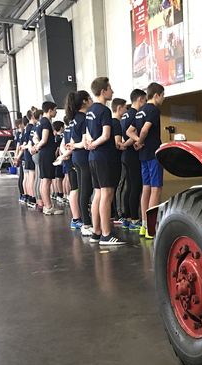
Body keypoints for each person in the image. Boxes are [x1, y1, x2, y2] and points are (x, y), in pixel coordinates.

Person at [85, 77, 126, 245]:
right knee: (107, 194)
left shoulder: (89, 111)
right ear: (103, 91)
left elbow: (88, 133)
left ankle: (96, 232)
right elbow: (106, 135)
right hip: (104, 157)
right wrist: (94, 144)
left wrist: (90, 144)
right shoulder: (104, 111)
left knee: (98, 194)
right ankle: (107, 234)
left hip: (93, 157)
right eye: (110, 88)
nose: (112, 91)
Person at [127, 82, 165, 239]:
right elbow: (144, 129)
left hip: (142, 156)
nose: (163, 99)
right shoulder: (153, 110)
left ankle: (144, 225)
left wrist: (136, 141)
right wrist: (141, 140)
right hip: (153, 154)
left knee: (146, 189)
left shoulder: (139, 111)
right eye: (163, 96)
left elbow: (129, 131)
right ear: (156, 95)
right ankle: (151, 229)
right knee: (156, 189)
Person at [66, 90, 94, 236]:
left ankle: (84, 221)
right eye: (90, 98)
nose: (91, 100)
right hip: (83, 157)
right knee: (86, 190)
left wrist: (73, 146)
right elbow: (83, 142)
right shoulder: (83, 118)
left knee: (83, 190)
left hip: (76, 158)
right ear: (84, 101)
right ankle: (86, 223)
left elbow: (71, 142)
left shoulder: (74, 119)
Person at [120, 89, 146, 230]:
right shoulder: (136, 114)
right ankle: (134, 220)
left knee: (129, 186)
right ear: (140, 99)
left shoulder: (125, 115)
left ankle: (127, 217)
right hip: (132, 154)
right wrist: (135, 142)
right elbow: (132, 134)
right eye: (145, 100)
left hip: (125, 155)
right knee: (135, 186)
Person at [34, 101, 64, 215]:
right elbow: (44, 139)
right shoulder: (46, 122)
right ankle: (48, 206)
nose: (56, 112)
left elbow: (35, 137)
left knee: (44, 181)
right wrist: (37, 147)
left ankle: (47, 205)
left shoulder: (40, 122)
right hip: (46, 154)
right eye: (55, 110)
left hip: (43, 153)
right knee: (47, 181)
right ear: (50, 110)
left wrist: (36, 146)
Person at [57, 116, 82, 229]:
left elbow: (62, 145)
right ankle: (76, 218)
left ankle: (77, 217)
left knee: (74, 188)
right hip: (73, 160)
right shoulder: (74, 127)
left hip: (70, 159)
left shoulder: (67, 128)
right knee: (76, 189)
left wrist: (63, 154)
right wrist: (65, 155)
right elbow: (72, 145)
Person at [110, 97, 127, 225]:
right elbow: (117, 143)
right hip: (117, 158)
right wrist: (132, 142)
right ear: (119, 108)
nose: (126, 110)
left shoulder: (111, 122)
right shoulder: (116, 123)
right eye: (125, 107)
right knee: (119, 186)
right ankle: (118, 214)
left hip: (113, 159)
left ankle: (115, 212)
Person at [29, 109, 44, 211]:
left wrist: (32, 148)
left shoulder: (34, 127)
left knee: (37, 178)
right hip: (38, 153)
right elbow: (38, 139)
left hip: (34, 153)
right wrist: (37, 147)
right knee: (40, 178)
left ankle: (38, 200)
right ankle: (40, 201)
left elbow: (32, 140)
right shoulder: (40, 125)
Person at [22, 110, 37, 208]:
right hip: (29, 154)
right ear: (32, 116)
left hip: (26, 154)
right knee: (31, 176)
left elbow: (24, 143)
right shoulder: (31, 128)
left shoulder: (27, 128)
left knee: (27, 176)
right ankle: (32, 198)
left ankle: (27, 196)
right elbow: (28, 143)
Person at [52, 120, 66, 205]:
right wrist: (58, 158)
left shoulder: (54, 137)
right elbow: (58, 150)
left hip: (55, 160)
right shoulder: (60, 137)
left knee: (56, 178)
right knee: (60, 178)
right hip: (58, 160)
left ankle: (56, 193)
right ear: (61, 128)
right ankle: (61, 194)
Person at [13, 118, 26, 203]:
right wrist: (18, 156)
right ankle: (23, 194)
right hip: (23, 157)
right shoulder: (22, 133)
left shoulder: (18, 134)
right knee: (23, 176)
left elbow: (17, 147)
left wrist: (16, 156)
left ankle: (22, 195)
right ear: (20, 125)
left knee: (22, 176)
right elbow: (20, 147)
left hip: (20, 157)